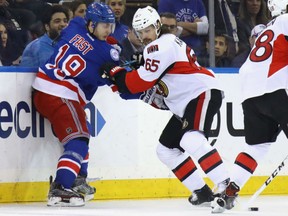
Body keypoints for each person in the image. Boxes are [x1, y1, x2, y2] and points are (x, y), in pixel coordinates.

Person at [99, 6, 230, 206]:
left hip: (201, 93)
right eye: (140, 32)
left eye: (148, 30)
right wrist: (125, 76)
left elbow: (136, 83)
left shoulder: (160, 46)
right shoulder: (162, 45)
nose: (145, 36)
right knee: (166, 150)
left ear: (158, 26)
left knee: (190, 138)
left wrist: (117, 73)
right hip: (187, 102)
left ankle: (225, 184)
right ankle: (202, 191)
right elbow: (148, 85)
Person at [31, 2, 118, 207]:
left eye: (111, 25)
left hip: (45, 87)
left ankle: (79, 180)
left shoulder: (75, 26)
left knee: (83, 130)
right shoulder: (106, 54)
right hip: (61, 92)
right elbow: (117, 78)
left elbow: (80, 34)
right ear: (92, 24)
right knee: (79, 139)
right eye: (104, 25)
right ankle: (61, 187)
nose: (108, 30)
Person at [211, 0, 288, 213]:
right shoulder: (285, 22)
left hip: (250, 92)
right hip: (274, 88)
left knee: (257, 146)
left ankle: (228, 192)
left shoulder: (268, 30)